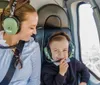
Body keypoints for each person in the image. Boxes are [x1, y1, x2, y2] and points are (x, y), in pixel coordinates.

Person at [0, 1, 41, 85]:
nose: (35, 32)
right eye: (31, 27)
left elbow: (35, 81)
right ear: (13, 25)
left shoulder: (33, 46)